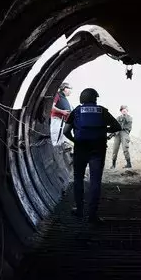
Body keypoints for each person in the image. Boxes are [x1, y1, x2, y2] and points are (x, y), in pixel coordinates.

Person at [63, 88, 121, 224]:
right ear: (95, 99)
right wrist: (104, 130)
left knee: (78, 179)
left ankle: (79, 210)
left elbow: (66, 131)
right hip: (98, 149)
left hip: (80, 148)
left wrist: (74, 140)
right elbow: (117, 126)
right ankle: (92, 215)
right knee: (95, 181)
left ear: (82, 99)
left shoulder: (77, 110)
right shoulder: (102, 111)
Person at [50, 82, 72, 146]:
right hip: (57, 121)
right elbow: (51, 107)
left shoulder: (64, 98)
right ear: (65, 89)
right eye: (69, 88)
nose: (71, 91)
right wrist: (62, 111)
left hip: (63, 122)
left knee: (63, 142)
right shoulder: (57, 95)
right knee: (56, 141)